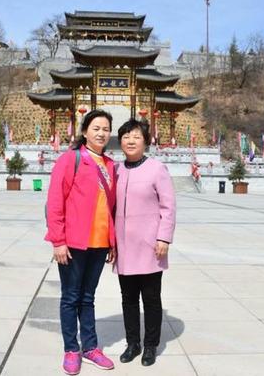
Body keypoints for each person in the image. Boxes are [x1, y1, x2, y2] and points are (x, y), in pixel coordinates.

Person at [45, 109, 116, 375]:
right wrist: (58, 241)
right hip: (73, 243)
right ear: (85, 131)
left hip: (99, 244)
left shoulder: (110, 165)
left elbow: (112, 208)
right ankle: (71, 349)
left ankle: (90, 347)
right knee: (71, 297)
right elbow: (54, 203)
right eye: (96, 128)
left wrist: (112, 242)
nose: (101, 133)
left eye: (106, 129)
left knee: (88, 297)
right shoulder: (71, 159)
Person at [113, 119, 176, 366]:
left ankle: (150, 345)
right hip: (124, 247)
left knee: (150, 298)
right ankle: (133, 343)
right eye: (126, 136)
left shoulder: (157, 169)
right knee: (127, 299)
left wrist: (164, 237)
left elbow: (168, 207)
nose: (130, 140)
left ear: (145, 141)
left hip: (150, 246)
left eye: (136, 136)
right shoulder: (116, 170)